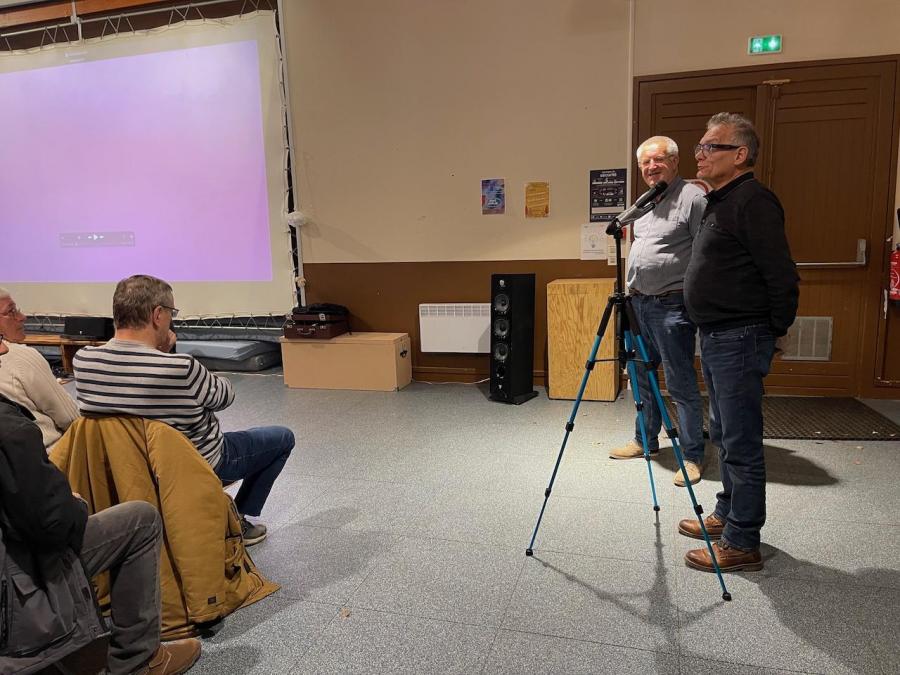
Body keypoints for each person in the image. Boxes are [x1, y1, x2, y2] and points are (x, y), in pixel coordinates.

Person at [0, 335, 201, 675]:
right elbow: (52, 525)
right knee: (142, 519)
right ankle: (139, 661)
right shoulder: (9, 429)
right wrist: (71, 502)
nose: (5, 347)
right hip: (13, 575)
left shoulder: (86, 360)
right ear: (158, 316)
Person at [73, 274, 294, 545]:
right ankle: (235, 520)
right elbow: (224, 396)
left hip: (126, 470)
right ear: (158, 315)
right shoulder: (180, 367)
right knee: (282, 438)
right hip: (198, 464)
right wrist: (168, 355)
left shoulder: (84, 361)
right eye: (171, 313)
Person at [679, 113, 799, 572]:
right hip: (716, 336)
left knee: (742, 441)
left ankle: (743, 541)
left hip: (740, 336)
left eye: (711, 147)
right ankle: (727, 513)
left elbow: (781, 272)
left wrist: (776, 329)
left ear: (740, 154)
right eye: (700, 147)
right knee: (725, 434)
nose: (700, 155)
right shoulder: (720, 200)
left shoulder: (755, 201)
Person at [608, 136, 708, 486]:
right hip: (638, 303)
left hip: (671, 304)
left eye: (659, 160)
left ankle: (693, 455)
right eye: (645, 163)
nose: (652, 167)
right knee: (640, 378)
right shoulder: (644, 203)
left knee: (680, 382)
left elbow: (704, 252)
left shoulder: (693, 199)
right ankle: (644, 441)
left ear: (675, 161)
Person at [0, 287, 79, 448]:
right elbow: (71, 418)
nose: (22, 317)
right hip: (45, 458)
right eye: (12, 311)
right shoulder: (21, 357)